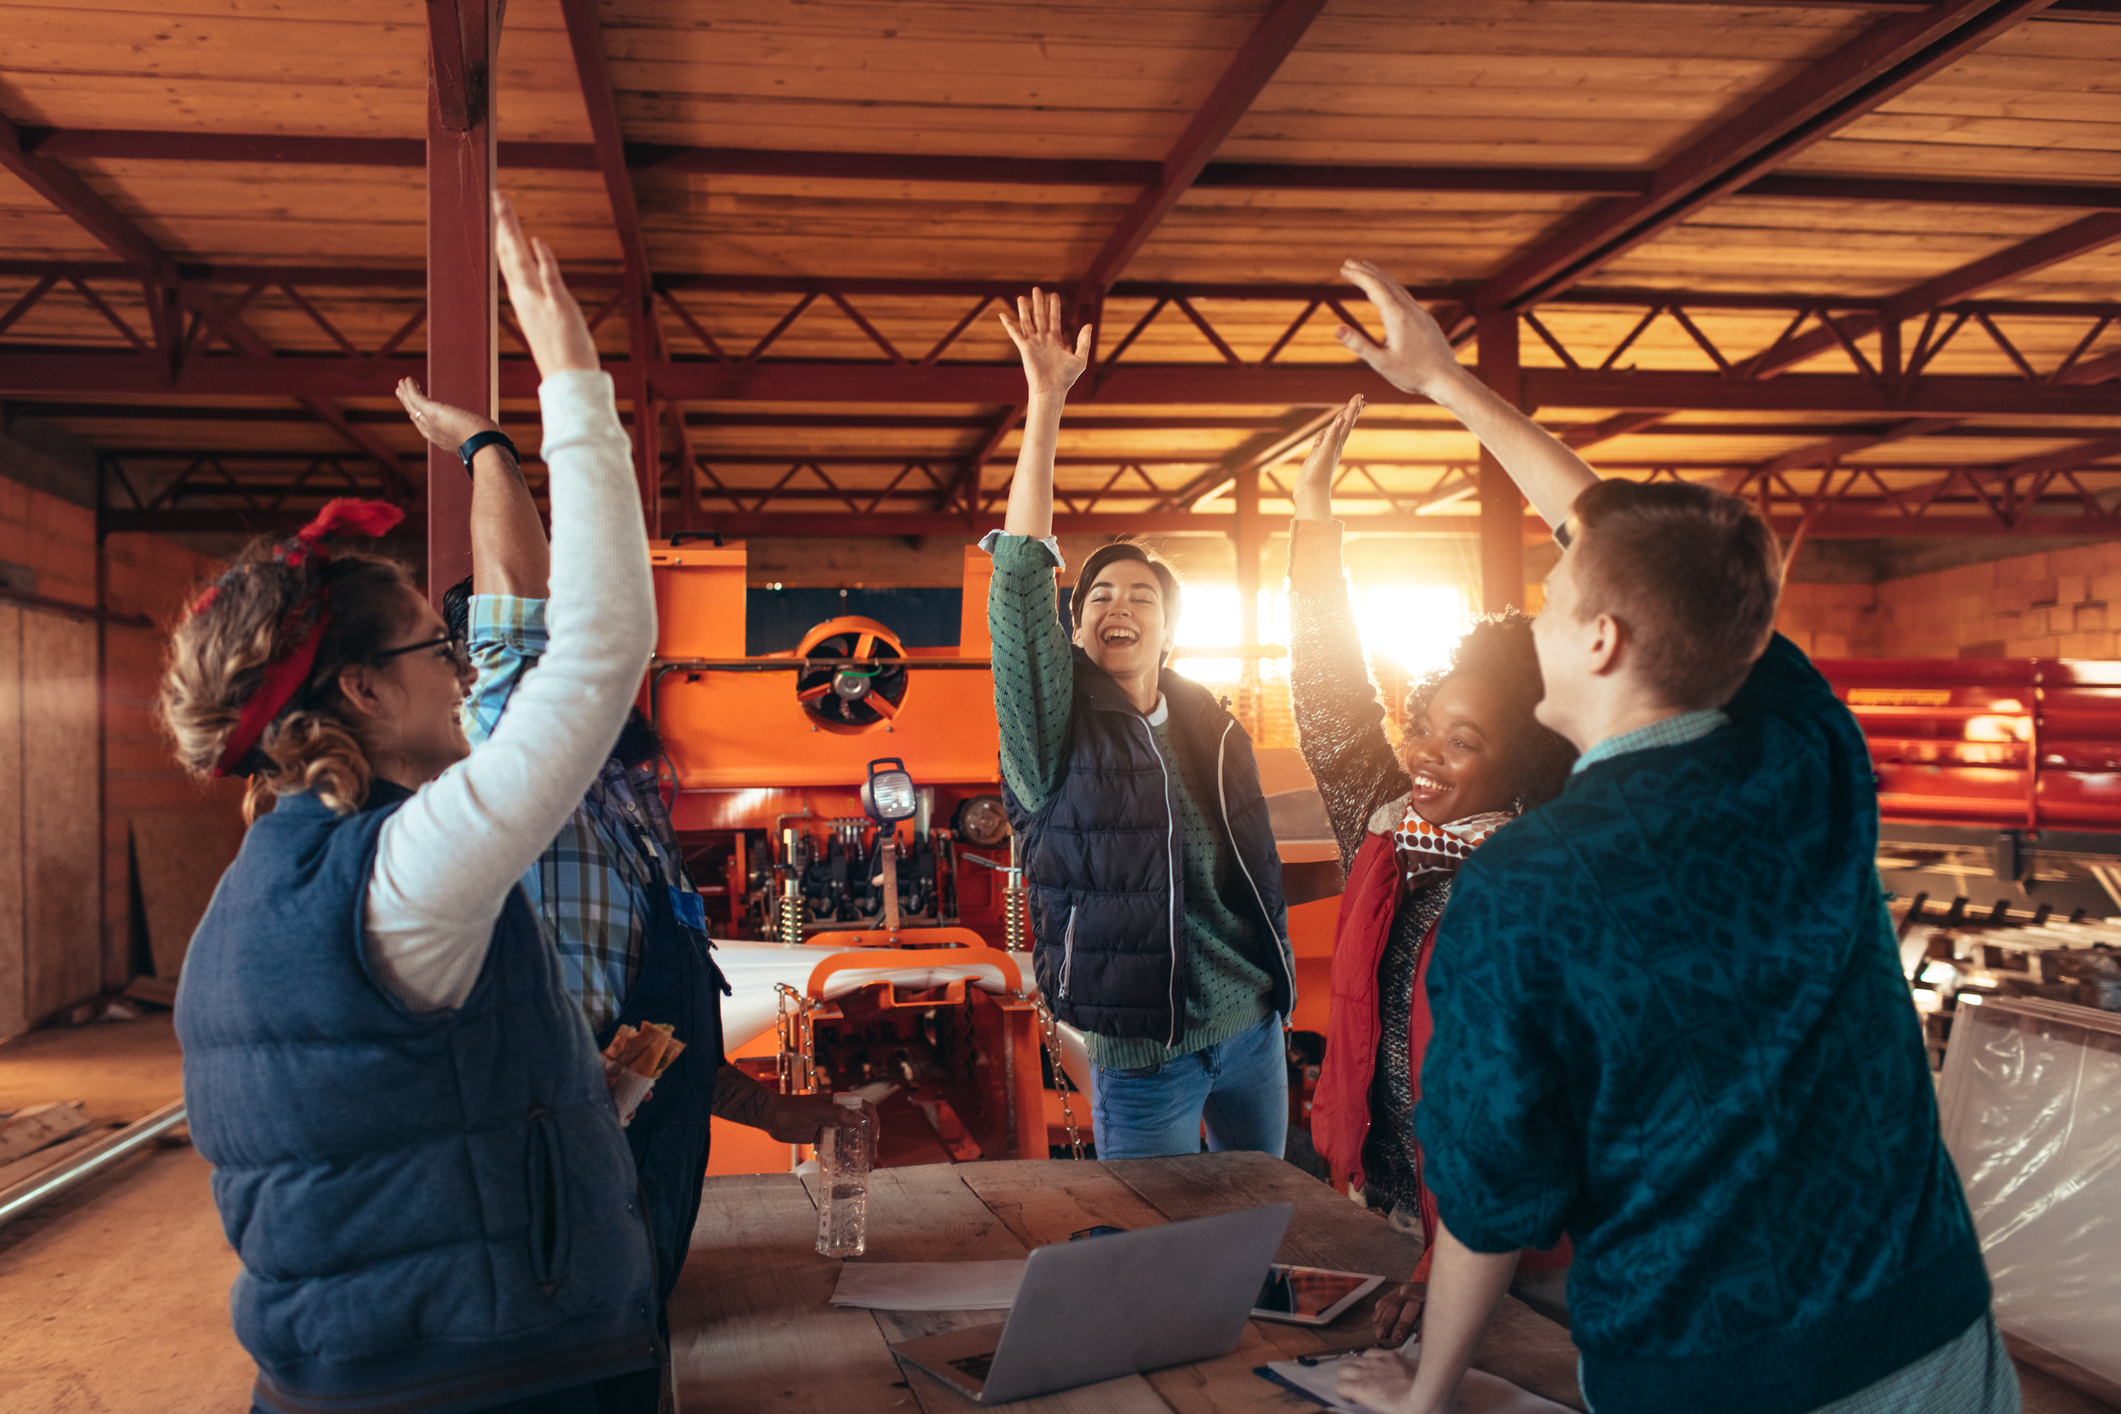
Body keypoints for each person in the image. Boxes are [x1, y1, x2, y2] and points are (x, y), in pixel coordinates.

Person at [1329, 260, 2012, 1414]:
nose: (1535, 616)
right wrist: (1448, 384)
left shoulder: (1523, 884)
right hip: (1931, 1328)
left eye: (1551, 600)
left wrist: (1424, 1392)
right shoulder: (1809, 750)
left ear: (1599, 642)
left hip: (1710, 1371)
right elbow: (1645, 553)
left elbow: (1494, 1192)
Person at [166, 197, 668, 1413]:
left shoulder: (241, 912)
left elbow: (381, 1131)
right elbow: (599, 652)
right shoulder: (391, 876)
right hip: (489, 1380)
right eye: (436, 647)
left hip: (351, 1375)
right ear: (361, 691)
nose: (463, 668)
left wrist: (559, 1109)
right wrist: (576, 384)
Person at [390, 376, 860, 1317]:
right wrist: (490, 448)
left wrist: (773, 1111)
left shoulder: (625, 812)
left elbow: (649, 1038)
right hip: (558, 1204)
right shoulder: (518, 779)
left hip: (638, 1191)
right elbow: (520, 626)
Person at [1283, 395, 1576, 1343]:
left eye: (1462, 740)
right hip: (1390, 1209)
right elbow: (1329, 693)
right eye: (1422, 724)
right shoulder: (1387, 831)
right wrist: (1312, 518)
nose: (1424, 753)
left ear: (1523, 762)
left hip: (1524, 1250)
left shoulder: (1549, 877)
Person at [985, 289, 1296, 1160]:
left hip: (1250, 1029)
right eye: (1098, 596)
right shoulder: (1053, 732)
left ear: (1168, 628)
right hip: (1143, 1057)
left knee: (1261, 1235)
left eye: (1142, 597)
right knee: (1154, 1264)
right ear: (1075, 627)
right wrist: (1045, 405)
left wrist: (1272, 992)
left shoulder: (1209, 723)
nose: (1118, 605)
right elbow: (1016, 592)